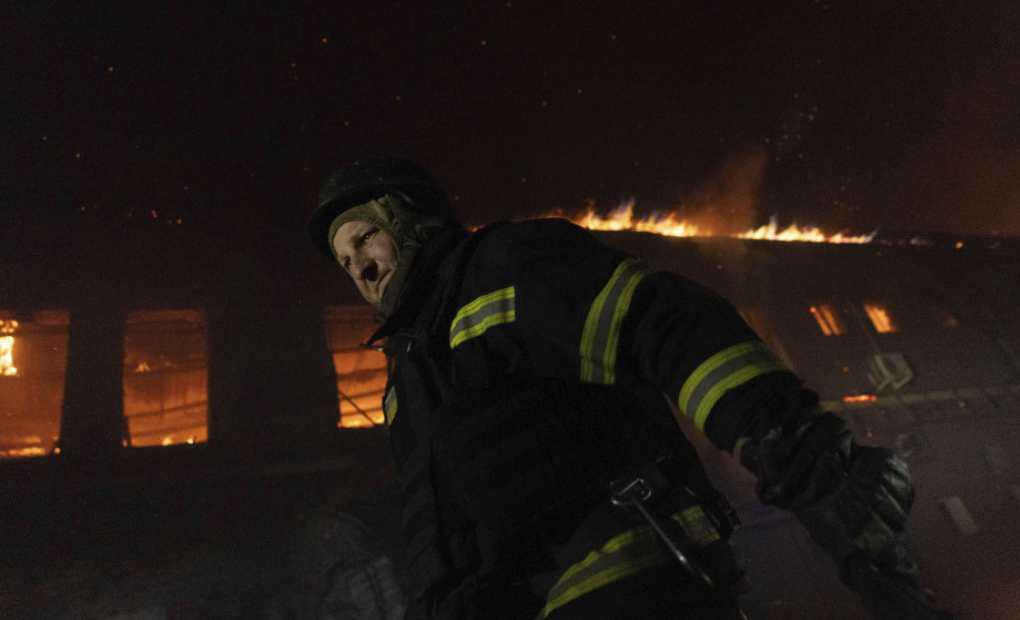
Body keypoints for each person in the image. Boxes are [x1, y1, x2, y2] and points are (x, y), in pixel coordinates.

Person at [307, 156, 955, 620]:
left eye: (365, 238)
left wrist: (782, 432)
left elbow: (660, 321)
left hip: (625, 575)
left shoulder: (501, 269)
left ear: (409, 219)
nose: (359, 267)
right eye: (344, 262)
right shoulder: (404, 381)